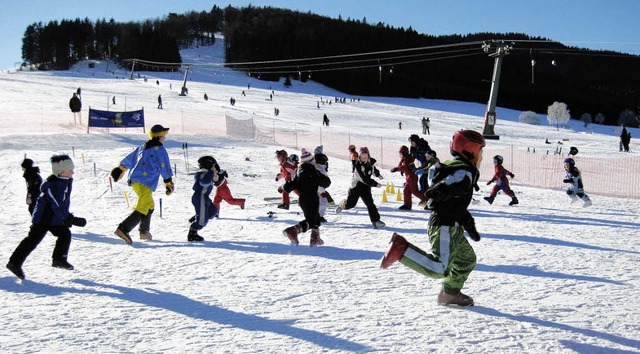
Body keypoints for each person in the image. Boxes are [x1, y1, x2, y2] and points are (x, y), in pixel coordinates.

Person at [381, 130, 486, 307]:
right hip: (444, 226)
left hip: (453, 227)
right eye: (481, 152)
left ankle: (450, 293)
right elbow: (454, 183)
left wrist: (470, 226)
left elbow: (457, 206)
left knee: (466, 260)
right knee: (440, 268)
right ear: (471, 151)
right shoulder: (464, 171)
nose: (482, 158)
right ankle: (401, 250)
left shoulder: (459, 169)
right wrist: (440, 189)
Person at [6, 154, 86, 280]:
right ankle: (14, 263)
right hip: (44, 217)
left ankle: (59, 259)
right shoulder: (53, 185)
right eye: (70, 170)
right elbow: (58, 204)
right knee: (33, 239)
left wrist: (66, 217)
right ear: (61, 171)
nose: (73, 172)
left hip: (55, 217)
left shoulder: (64, 181)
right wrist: (71, 219)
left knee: (65, 234)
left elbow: (62, 204)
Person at [111, 124, 174, 245]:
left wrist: (121, 169)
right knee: (144, 204)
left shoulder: (144, 146)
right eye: (163, 136)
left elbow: (131, 158)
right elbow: (164, 166)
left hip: (136, 179)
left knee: (149, 205)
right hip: (144, 181)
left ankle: (144, 231)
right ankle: (123, 228)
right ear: (159, 137)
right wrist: (168, 183)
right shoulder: (159, 150)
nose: (164, 139)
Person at [281, 148, 331, 246]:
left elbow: (291, 184)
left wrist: (282, 188)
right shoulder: (314, 172)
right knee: (311, 221)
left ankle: (315, 238)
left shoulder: (299, 173)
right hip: (312, 199)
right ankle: (293, 230)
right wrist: (322, 176)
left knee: (315, 218)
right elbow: (326, 182)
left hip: (303, 199)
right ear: (312, 162)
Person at [335, 147, 386, 229]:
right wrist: (375, 184)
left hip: (365, 187)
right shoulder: (358, 165)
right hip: (356, 186)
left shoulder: (370, 163)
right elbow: (364, 178)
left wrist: (378, 175)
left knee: (370, 204)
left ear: (368, 156)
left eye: (365, 157)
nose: (363, 159)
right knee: (350, 204)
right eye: (361, 157)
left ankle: (376, 221)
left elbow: (373, 170)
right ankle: (342, 205)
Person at [187, 156, 218, 242]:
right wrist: (211, 172)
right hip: (200, 197)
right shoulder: (201, 174)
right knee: (202, 222)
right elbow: (204, 182)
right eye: (213, 166)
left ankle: (199, 216)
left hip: (205, 197)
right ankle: (193, 232)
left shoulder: (208, 174)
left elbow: (216, 180)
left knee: (212, 212)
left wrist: (216, 174)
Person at [390, 145, 427, 210]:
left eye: (400, 153)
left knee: (415, 191)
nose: (399, 155)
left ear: (404, 153)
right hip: (409, 177)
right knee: (406, 190)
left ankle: (428, 200)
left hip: (412, 177)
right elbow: (406, 167)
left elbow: (405, 166)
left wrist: (396, 169)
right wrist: (402, 171)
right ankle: (407, 205)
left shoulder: (406, 159)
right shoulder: (406, 158)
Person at [313, 145, 334, 220]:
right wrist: (322, 191)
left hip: (319, 189)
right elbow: (319, 182)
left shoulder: (321, 168)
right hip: (318, 189)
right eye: (325, 161)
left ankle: (318, 216)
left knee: (321, 202)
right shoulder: (319, 169)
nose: (326, 163)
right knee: (323, 202)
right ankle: (318, 216)